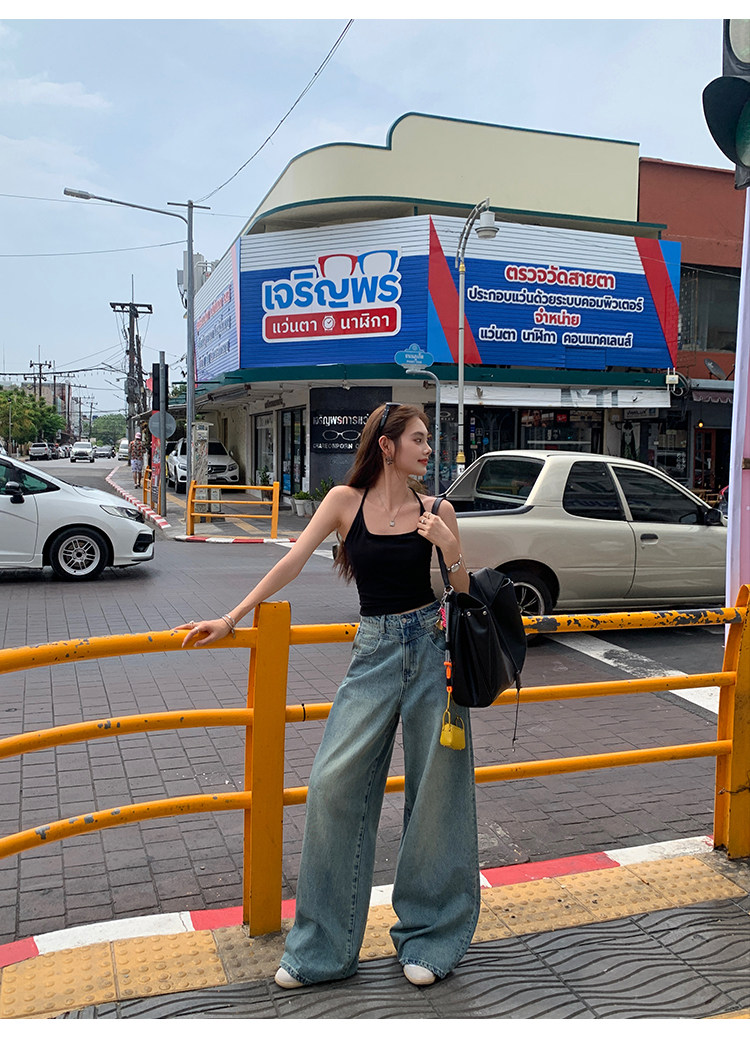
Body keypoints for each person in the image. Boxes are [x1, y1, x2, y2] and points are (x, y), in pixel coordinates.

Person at [179, 403, 479, 989]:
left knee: (438, 793)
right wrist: (232, 617)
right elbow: (292, 561)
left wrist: (450, 547)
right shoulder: (344, 501)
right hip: (375, 651)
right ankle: (324, 948)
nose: (428, 449)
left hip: (432, 649)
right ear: (387, 446)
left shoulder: (437, 509)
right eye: (418, 439)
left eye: (428, 440)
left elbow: (462, 592)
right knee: (332, 785)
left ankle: (431, 937)